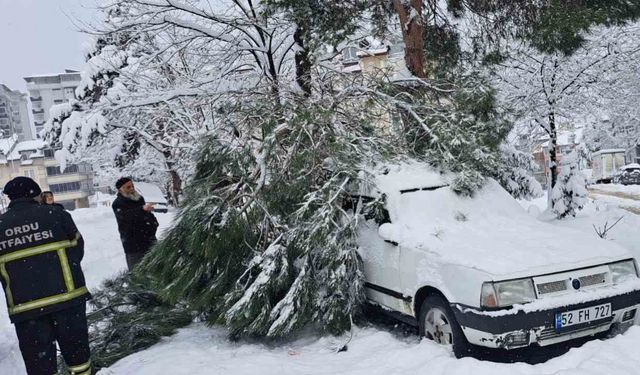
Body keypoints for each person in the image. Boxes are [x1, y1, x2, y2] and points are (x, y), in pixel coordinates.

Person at [0, 177, 92, 375]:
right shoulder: (57, 214)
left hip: (26, 310)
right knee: (78, 360)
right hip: (68, 300)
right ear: (36, 195)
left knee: (40, 367)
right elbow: (78, 249)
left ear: (9, 198)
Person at [112, 177, 159, 271]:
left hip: (150, 240)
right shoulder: (118, 203)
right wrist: (142, 209)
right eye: (128, 187)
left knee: (157, 270)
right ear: (120, 190)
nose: (132, 189)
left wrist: (154, 223)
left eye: (132, 186)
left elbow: (147, 215)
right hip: (134, 245)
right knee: (138, 274)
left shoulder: (139, 198)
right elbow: (127, 217)